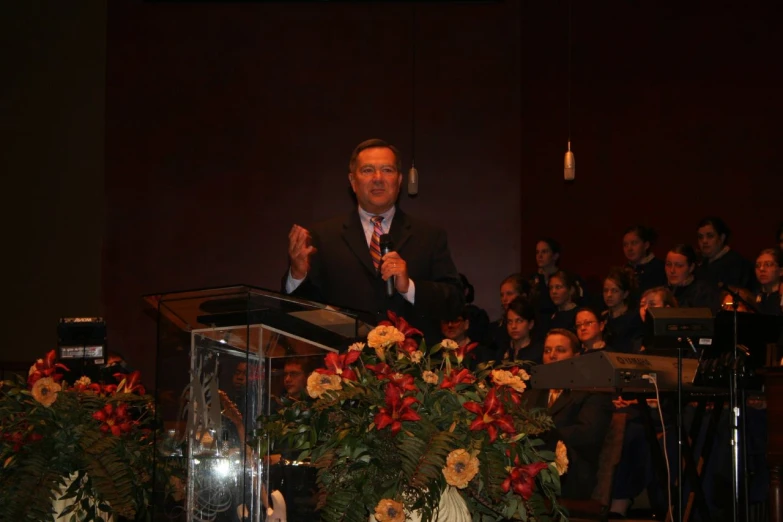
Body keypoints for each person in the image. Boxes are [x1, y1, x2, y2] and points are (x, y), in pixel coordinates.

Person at [284, 139, 463, 342]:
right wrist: (298, 275)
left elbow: (454, 302)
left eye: (387, 170)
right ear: (352, 181)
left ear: (399, 180)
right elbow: (299, 312)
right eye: (368, 170)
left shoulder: (429, 236)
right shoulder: (323, 237)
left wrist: (409, 287)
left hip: (412, 367)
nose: (378, 178)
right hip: (345, 367)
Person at [522, 329, 612, 500]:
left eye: (560, 350)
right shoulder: (532, 393)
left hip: (572, 470)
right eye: (547, 350)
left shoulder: (593, 391)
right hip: (531, 466)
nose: (552, 356)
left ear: (576, 357)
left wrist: (545, 433)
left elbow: (589, 433)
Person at [693, 216, 754, 290]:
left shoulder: (736, 264)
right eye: (700, 237)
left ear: (722, 238)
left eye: (710, 236)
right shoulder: (701, 265)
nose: (704, 241)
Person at [482, 296, 542, 368]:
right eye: (510, 322)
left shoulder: (539, 353)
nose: (513, 326)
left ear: (530, 324)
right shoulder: (502, 351)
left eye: (519, 321)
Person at [666, 244, 721, 313]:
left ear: (691, 267)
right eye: (668, 264)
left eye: (679, 266)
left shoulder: (703, 293)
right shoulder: (662, 291)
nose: (672, 270)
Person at [602, 267, 643, 354]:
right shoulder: (603, 318)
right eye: (606, 290)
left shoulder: (634, 318)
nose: (609, 295)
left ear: (625, 294)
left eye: (615, 291)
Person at [622, 225, 667, 294]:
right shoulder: (623, 271)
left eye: (634, 243)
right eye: (625, 245)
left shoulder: (660, 269)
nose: (629, 249)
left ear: (646, 245)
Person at [754, 248, 782, 316]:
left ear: (781, 271)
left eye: (768, 264)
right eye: (758, 265)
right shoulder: (753, 295)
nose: (761, 269)